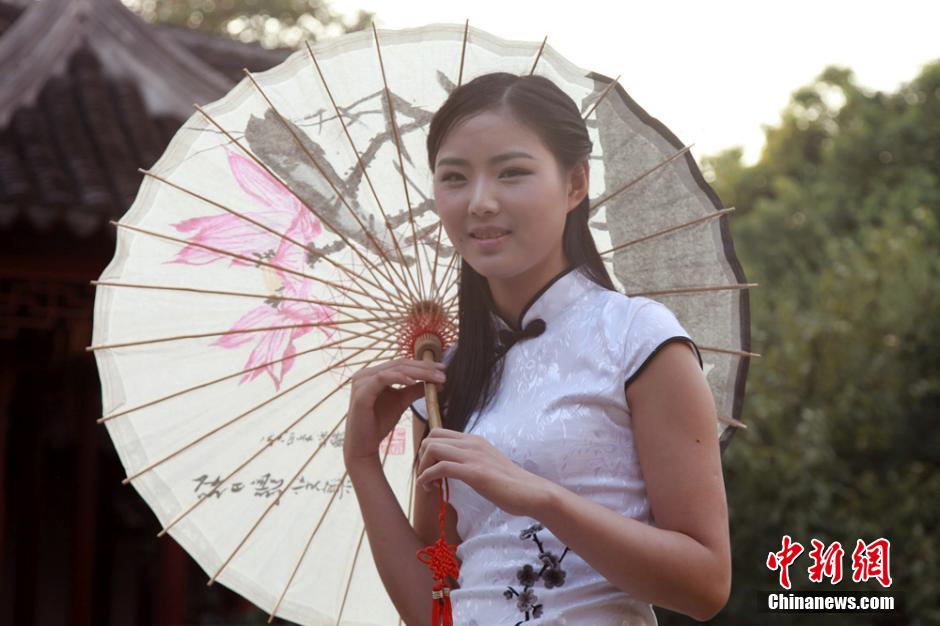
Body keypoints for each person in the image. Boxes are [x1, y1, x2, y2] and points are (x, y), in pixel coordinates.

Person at [342, 72, 730, 626]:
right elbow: (433, 606)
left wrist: (540, 496)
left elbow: (706, 584)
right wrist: (362, 462)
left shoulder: (636, 338)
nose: (480, 202)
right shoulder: (444, 381)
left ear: (576, 183)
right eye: (454, 177)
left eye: (512, 172)